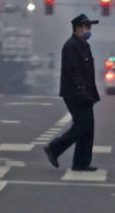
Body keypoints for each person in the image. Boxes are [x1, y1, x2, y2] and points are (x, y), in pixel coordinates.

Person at [43, 13, 100, 171]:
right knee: (83, 125)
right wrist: (81, 90)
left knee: (87, 127)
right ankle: (55, 148)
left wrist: (91, 94)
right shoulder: (71, 46)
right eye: (87, 26)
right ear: (78, 28)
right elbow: (73, 71)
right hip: (75, 93)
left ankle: (81, 162)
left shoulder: (83, 45)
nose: (89, 30)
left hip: (84, 93)